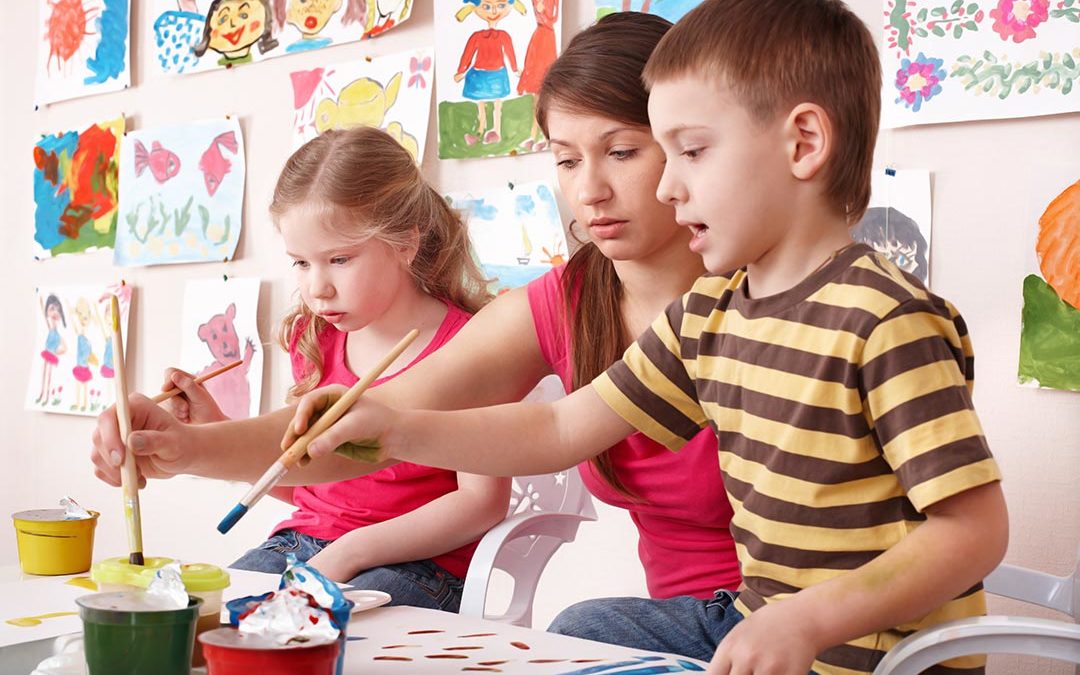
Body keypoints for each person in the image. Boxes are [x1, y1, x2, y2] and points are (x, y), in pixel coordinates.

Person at [278, 1, 1010, 672]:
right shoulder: (712, 313)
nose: (666, 186)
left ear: (804, 143)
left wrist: (810, 616)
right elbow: (560, 425)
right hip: (758, 624)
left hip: (877, 656)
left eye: (689, 151)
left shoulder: (885, 319)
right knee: (579, 630)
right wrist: (397, 427)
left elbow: (973, 531)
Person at [91, 12, 740, 613]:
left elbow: (532, 442)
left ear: (690, 146)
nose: (588, 189)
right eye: (566, 159)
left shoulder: (769, 296)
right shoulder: (563, 301)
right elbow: (361, 428)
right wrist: (185, 446)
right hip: (681, 622)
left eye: (621, 152)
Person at [160, 125, 510, 612]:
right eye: (301, 263)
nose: (317, 288)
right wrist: (216, 429)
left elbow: (482, 503)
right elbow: (311, 480)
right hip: (300, 545)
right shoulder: (315, 338)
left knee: (315, 642)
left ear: (406, 243)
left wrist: (350, 552)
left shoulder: (469, 346)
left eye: (339, 259)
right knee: (203, 623)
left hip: (418, 565)